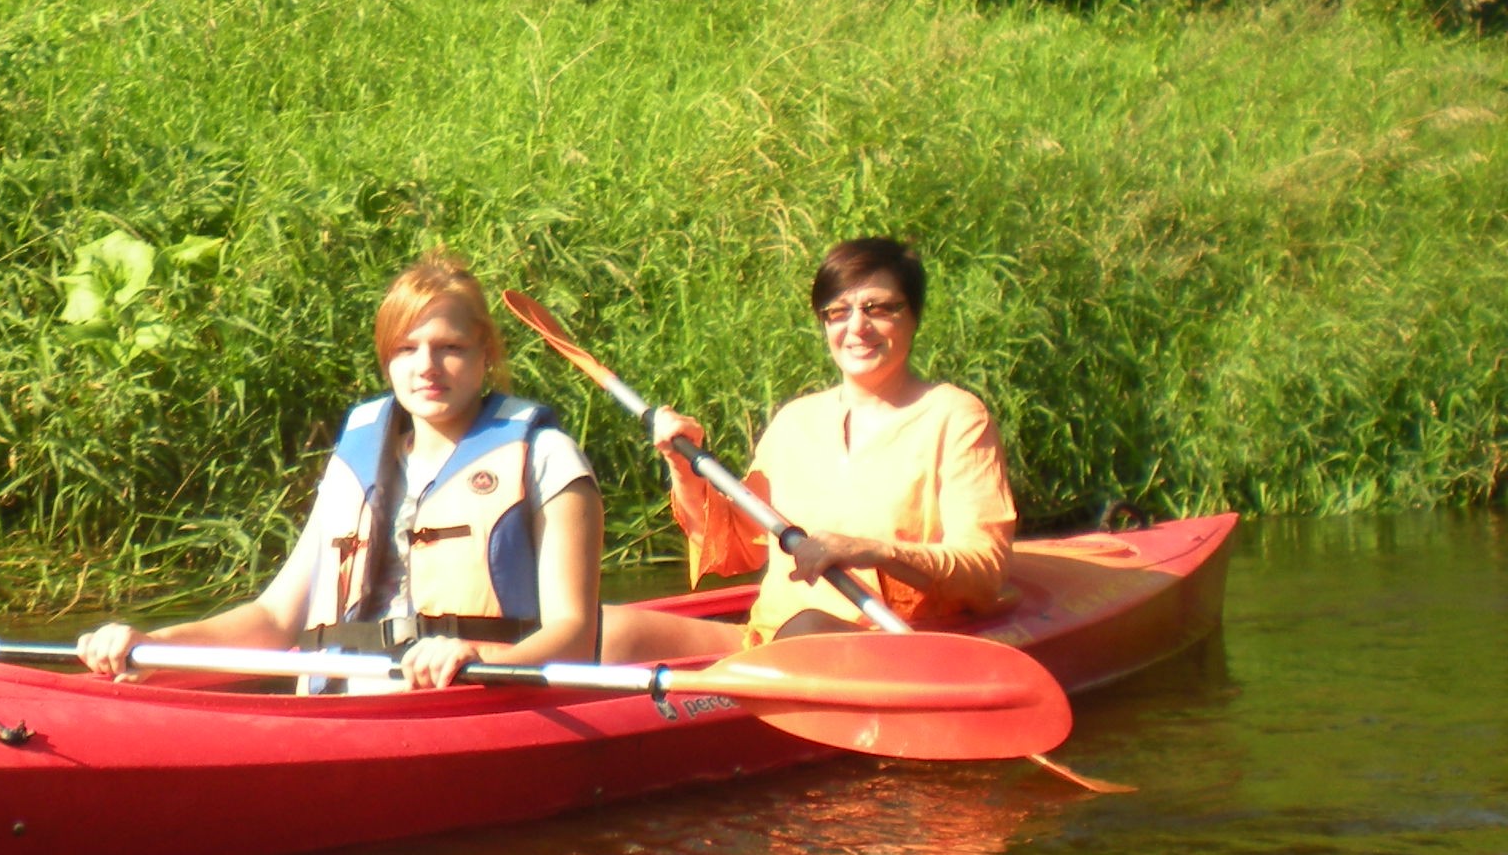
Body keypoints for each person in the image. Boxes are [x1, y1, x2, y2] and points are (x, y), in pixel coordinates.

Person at [77, 252, 603, 690]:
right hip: (342, 705)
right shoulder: (355, 466)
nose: (426, 367)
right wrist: (154, 642)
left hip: (473, 697)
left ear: (486, 354)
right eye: (406, 349)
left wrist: (481, 660)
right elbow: (274, 619)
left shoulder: (547, 459)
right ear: (386, 358)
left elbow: (574, 636)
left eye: (451, 348)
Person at [601, 236, 1016, 662]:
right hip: (771, 642)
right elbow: (733, 551)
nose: (856, 327)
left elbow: (982, 574)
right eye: (838, 312)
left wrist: (875, 551)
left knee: (807, 629)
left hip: (891, 647)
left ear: (913, 316)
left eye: (878, 308)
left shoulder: (956, 417)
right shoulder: (796, 421)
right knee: (609, 630)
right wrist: (684, 466)